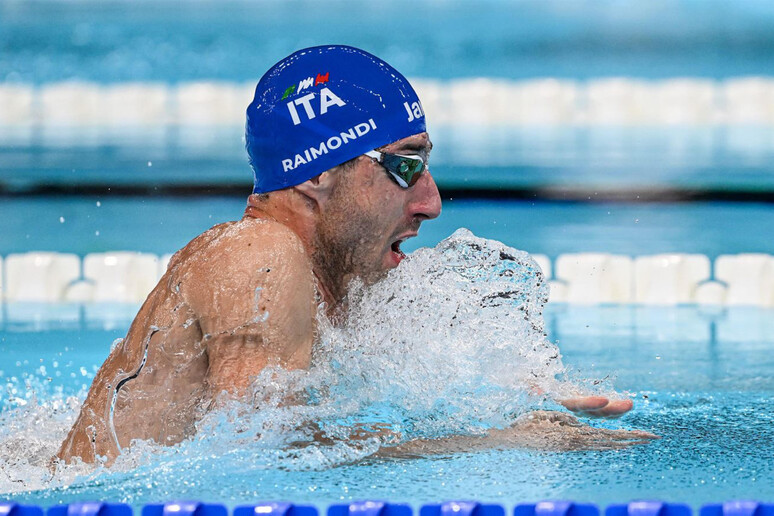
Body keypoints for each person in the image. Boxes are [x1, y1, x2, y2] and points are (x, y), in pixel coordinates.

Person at [56, 45, 640, 465]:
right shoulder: (257, 255)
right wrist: (498, 439)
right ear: (317, 173)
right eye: (405, 165)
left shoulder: (335, 283)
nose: (431, 203)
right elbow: (254, 456)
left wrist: (506, 399)